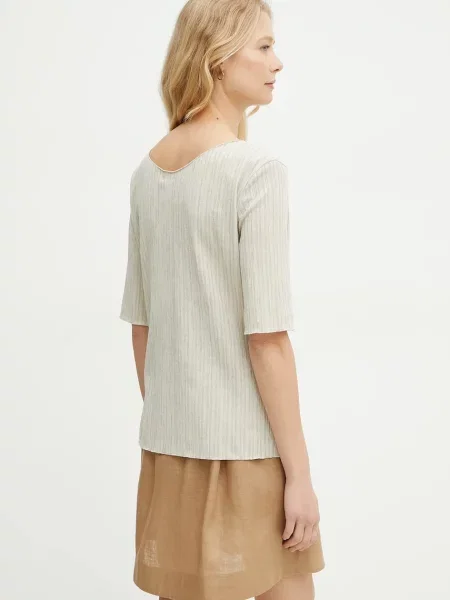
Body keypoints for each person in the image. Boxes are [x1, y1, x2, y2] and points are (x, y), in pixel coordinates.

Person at [119, 1, 326, 599]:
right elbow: (267, 339)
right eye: (263, 46)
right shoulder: (254, 171)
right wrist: (299, 476)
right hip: (247, 453)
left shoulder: (148, 172)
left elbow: (142, 326)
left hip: (168, 451)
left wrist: (179, 421)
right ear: (216, 57)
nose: (277, 62)